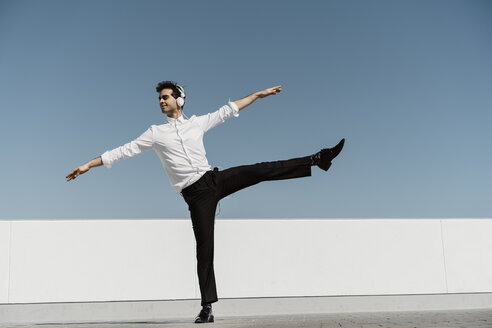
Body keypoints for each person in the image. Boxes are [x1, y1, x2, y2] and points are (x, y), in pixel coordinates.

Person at [66, 81, 345, 324]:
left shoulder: (197, 123)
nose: (161, 102)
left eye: (166, 97)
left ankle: (318, 159)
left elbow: (229, 110)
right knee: (204, 248)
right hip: (196, 195)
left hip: (214, 179)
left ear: (180, 99)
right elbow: (124, 150)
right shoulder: (154, 133)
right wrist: (89, 164)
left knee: (260, 170)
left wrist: (259, 95)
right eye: (159, 99)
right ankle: (206, 306)